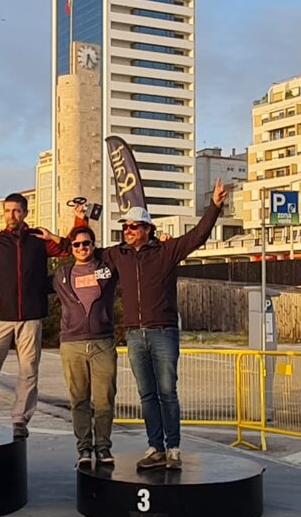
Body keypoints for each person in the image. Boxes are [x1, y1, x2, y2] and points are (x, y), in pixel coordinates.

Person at [72, 178, 228, 471]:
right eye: (125, 227)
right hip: (134, 335)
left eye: (133, 227)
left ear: (147, 229)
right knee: (147, 395)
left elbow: (198, 236)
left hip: (163, 332)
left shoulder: (166, 252)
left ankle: (173, 449)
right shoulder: (118, 254)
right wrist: (80, 220)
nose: (127, 231)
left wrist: (215, 206)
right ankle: (155, 447)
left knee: (167, 392)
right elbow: (85, 250)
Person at [0, 193, 68, 440]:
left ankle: (21, 419)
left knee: (29, 371)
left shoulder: (38, 240)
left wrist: (57, 234)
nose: (11, 215)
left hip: (31, 316)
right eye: (7, 210)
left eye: (17, 210)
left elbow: (67, 248)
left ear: (25, 213)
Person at [52, 226, 119, 466]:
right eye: (76, 244)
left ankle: (103, 447)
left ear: (93, 245)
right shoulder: (62, 274)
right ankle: (84, 449)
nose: (82, 248)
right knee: (79, 400)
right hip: (72, 343)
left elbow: (120, 252)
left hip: (103, 342)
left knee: (104, 399)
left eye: (86, 243)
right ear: (71, 248)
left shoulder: (107, 269)